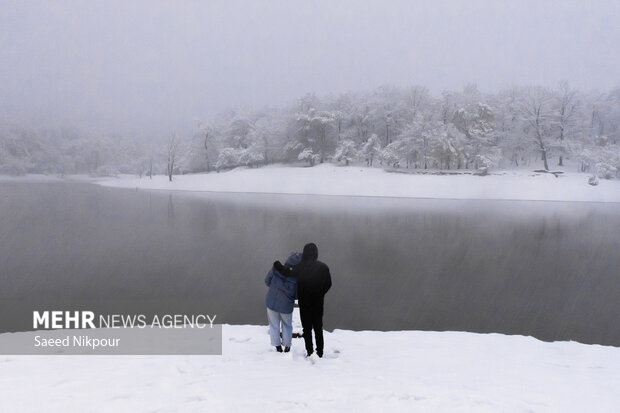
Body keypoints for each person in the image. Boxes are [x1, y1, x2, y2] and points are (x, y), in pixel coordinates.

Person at [274, 243, 331, 358]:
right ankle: (319, 352)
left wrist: (277, 264)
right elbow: (329, 284)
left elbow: (286, 272)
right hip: (318, 303)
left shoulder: (300, 268)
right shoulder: (324, 268)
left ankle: (310, 351)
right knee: (318, 328)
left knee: (307, 328)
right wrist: (320, 293)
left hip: (304, 303)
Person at [265, 252, 302, 353]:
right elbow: (297, 295)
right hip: (286, 306)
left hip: (271, 302)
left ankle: (277, 346)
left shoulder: (276, 269)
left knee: (274, 325)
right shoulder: (297, 278)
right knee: (287, 325)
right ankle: (287, 346)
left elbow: (267, 281)